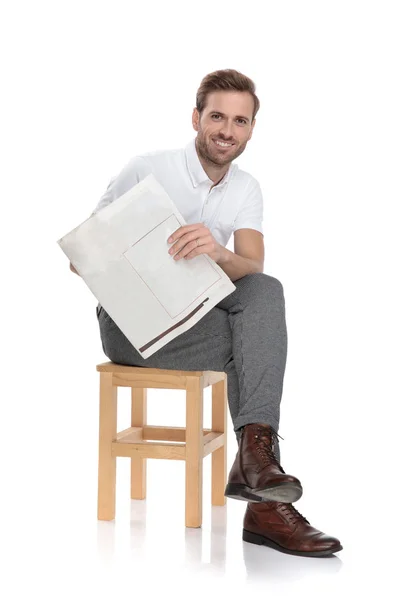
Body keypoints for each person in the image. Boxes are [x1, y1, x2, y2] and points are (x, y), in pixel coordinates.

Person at [71, 69, 342, 558]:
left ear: (251, 129)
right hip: (131, 329)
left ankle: (257, 476)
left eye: (240, 121)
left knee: (264, 292)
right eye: (217, 116)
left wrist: (217, 252)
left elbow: (252, 267)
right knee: (253, 341)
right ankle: (262, 496)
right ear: (196, 118)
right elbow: (81, 256)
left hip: (198, 321)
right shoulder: (146, 168)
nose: (226, 131)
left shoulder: (246, 189)